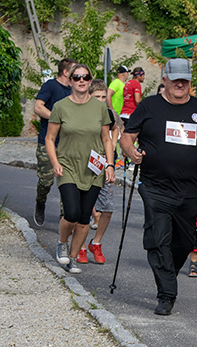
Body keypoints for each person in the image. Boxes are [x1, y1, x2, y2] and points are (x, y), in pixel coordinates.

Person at [120, 58, 197, 316]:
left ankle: (168, 274)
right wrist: (131, 152)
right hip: (155, 186)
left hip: (188, 188)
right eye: (175, 79)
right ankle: (167, 294)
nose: (180, 84)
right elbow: (126, 137)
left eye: (184, 80)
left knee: (187, 241)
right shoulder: (149, 106)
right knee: (159, 239)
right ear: (164, 79)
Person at [45, 64, 115, 275]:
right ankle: (62, 243)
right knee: (72, 212)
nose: (81, 80)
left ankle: (73, 258)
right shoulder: (60, 106)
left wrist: (110, 165)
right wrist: (55, 162)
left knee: (85, 217)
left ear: (90, 80)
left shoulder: (100, 108)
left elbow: (106, 139)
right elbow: (50, 138)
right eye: (77, 77)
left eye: (85, 77)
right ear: (70, 81)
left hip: (94, 168)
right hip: (68, 165)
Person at [77, 79, 121, 265]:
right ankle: (80, 246)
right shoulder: (82, 113)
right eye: (97, 97)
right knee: (83, 209)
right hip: (84, 166)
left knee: (108, 208)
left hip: (103, 165)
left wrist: (113, 144)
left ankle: (96, 243)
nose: (101, 100)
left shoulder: (109, 114)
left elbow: (116, 127)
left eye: (104, 97)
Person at [33, 57, 76, 227]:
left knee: (67, 183)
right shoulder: (50, 86)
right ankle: (40, 202)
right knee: (46, 181)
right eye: (74, 70)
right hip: (49, 142)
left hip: (69, 145)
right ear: (65, 72)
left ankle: (65, 219)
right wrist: (57, 118)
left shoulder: (75, 90)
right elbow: (38, 107)